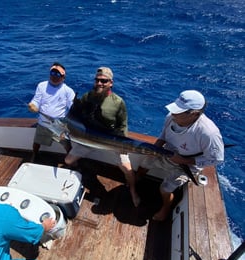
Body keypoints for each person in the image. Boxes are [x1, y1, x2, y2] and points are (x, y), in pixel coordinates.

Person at [135, 90, 224, 221]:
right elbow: (163, 135)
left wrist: (183, 160)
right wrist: (154, 149)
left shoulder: (208, 133)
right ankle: (134, 183)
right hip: (166, 153)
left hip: (186, 166)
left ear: (194, 114)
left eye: (179, 111)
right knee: (144, 164)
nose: (174, 113)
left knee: (165, 189)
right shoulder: (171, 116)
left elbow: (216, 159)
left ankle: (165, 209)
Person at [65, 67, 140, 207]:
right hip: (88, 139)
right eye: (97, 80)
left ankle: (133, 191)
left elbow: (122, 126)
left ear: (110, 83)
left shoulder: (118, 102)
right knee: (68, 161)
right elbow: (78, 116)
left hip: (110, 141)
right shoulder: (88, 96)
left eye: (103, 81)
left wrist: (122, 146)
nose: (99, 83)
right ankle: (79, 171)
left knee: (128, 169)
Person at [28, 62, 76, 161]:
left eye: (58, 74)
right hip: (43, 123)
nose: (54, 76)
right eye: (52, 73)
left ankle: (72, 161)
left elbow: (73, 109)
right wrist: (32, 106)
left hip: (59, 125)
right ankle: (35, 155)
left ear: (63, 77)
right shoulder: (42, 85)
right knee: (37, 142)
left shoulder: (68, 91)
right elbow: (36, 101)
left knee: (67, 145)